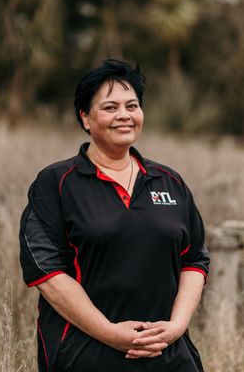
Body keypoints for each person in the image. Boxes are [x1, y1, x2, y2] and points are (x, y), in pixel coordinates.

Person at [19, 59, 210, 372]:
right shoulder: (56, 183)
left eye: (132, 105)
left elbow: (195, 259)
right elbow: (46, 270)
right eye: (109, 107)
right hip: (85, 353)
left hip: (166, 353)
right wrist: (111, 333)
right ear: (85, 118)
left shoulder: (170, 182)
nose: (124, 115)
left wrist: (174, 327)